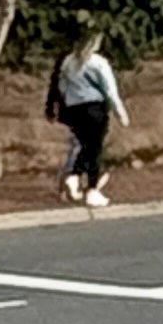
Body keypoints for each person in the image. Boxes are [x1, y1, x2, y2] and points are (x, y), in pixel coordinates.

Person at [49, 31, 126, 206]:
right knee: (94, 149)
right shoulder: (98, 63)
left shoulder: (68, 62)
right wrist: (120, 112)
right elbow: (110, 90)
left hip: (74, 109)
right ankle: (91, 189)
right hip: (94, 108)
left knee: (82, 144)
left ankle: (73, 177)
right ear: (95, 44)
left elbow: (62, 87)